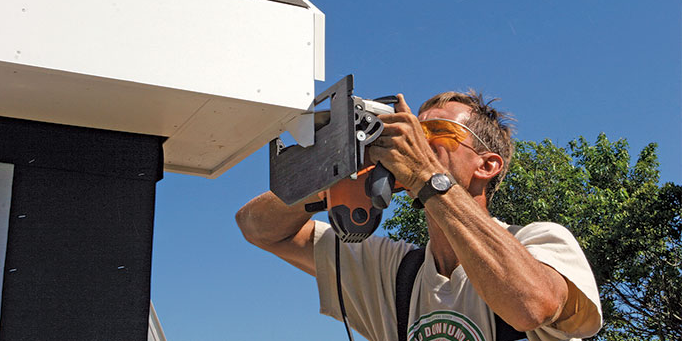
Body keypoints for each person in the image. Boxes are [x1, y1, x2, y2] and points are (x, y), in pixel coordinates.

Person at [236, 91, 602, 341]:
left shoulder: (541, 242)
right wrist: (331, 172)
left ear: (487, 165)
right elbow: (258, 228)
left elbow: (531, 307)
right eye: (414, 130)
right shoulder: (392, 270)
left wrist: (427, 177)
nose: (418, 141)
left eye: (436, 131)